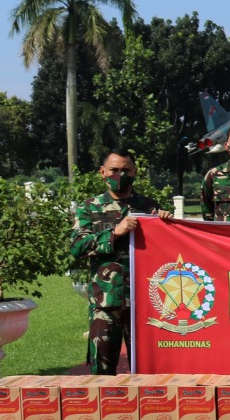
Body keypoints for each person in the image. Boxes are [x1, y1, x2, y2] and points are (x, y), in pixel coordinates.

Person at [69, 149, 172, 375]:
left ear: (135, 172)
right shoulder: (89, 207)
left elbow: (169, 250)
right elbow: (77, 247)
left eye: (126, 170)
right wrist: (115, 231)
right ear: (102, 172)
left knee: (147, 371)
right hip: (106, 302)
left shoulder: (149, 207)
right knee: (102, 373)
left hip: (145, 302)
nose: (120, 175)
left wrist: (167, 225)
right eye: (114, 170)